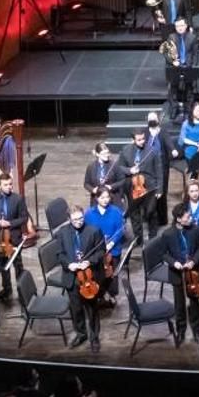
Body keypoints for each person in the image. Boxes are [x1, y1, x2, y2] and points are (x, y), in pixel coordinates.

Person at [158, 199, 199, 346]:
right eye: (187, 217)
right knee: (179, 304)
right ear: (179, 219)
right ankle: (181, 330)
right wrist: (174, 263)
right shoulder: (167, 234)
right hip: (177, 273)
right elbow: (164, 254)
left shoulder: (195, 230)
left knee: (194, 301)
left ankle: (196, 330)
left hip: (193, 272)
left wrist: (193, 261)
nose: (190, 218)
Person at [61, 206, 107, 350]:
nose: (79, 222)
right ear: (69, 219)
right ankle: (81, 334)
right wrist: (69, 264)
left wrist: (89, 261)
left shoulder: (94, 231)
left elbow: (101, 251)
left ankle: (94, 337)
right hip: (72, 276)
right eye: (75, 220)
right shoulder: (62, 232)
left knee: (92, 310)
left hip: (89, 277)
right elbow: (60, 254)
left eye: (81, 218)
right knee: (76, 309)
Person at [118, 124, 167, 233]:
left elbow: (159, 170)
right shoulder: (126, 150)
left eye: (143, 139)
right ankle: (138, 238)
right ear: (133, 140)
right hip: (133, 186)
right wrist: (130, 170)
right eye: (139, 140)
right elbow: (119, 167)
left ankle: (153, 237)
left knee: (151, 212)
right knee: (134, 214)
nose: (142, 142)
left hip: (150, 186)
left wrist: (159, 189)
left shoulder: (152, 151)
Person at [84, 187, 126, 302]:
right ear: (97, 198)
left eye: (107, 197)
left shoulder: (116, 211)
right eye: (102, 197)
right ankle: (99, 293)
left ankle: (112, 294)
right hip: (96, 249)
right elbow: (87, 231)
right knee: (97, 272)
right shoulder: (89, 213)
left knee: (112, 273)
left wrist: (111, 243)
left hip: (113, 249)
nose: (105, 200)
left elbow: (121, 229)